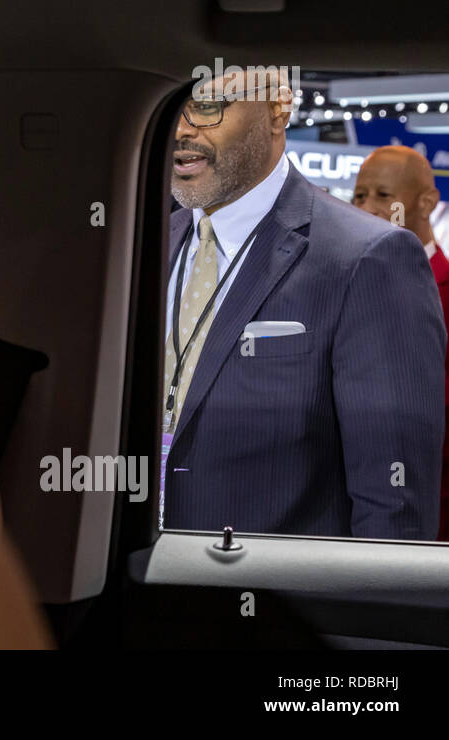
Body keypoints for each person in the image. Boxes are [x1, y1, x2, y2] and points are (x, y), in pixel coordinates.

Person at [162, 68, 444, 539]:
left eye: (209, 106)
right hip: (134, 593)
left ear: (277, 107)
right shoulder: (151, 243)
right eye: (174, 107)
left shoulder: (369, 258)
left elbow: (393, 504)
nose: (183, 130)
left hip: (280, 602)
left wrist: (374, 610)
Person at [352, 145, 449, 541]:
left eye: (383, 195)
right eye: (359, 195)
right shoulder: (339, 287)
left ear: (426, 203)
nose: (367, 207)